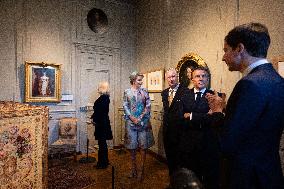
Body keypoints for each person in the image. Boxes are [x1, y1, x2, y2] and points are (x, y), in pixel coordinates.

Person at [206, 22, 284, 189]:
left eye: (226, 50)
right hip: (268, 172)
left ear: (239, 49)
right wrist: (228, 108)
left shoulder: (249, 84)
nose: (223, 57)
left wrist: (217, 112)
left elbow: (227, 143)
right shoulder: (278, 80)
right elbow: (257, 124)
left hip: (247, 177)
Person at [183, 67, 222, 189]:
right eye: (197, 76)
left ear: (208, 79)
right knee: (191, 177)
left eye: (203, 76)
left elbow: (214, 119)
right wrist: (205, 115)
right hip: (189, 143)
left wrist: (192, 116)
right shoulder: (185, 95)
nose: (201, 78)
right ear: (192, 79)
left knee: (208, 178)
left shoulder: (215, 96)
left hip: (207, 143)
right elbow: (181, 117)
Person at [123, 71, 154, 180]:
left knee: (143, 147)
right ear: (133, 80)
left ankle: (141, 172)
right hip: (130, 123)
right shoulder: (127, 92)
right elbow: (125, 105)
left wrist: (140, 118)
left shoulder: (145, 92)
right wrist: (131, 117)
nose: (141, 82)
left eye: (141, 80)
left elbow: (148, 106)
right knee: (132, 148)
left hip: (143, 123)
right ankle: (133, 170)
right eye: (139, 80)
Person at [161, 68, 191, 179]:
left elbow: (188, 112)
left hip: (180, 133)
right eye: (169, 77)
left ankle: (180, 182)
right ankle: (172, 180)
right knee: (170, 159)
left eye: (173, 76)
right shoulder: (164, 93)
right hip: (167, 132)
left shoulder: (186, 91)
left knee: (180, 161)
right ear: (166, 79)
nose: (171, 79)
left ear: (177, 76)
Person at [91, 81, 113, 169]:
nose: (97, 88)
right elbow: (99, 111)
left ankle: (102, 164)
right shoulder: (105, 97)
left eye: (99, 87)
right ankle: (105, 161)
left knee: (102, 144)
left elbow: (101, 112)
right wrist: (94, 117)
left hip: (101, 124)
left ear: (102, 88)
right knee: (102, 144)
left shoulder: (104, 98)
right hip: (103, 122)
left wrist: (95, 120)